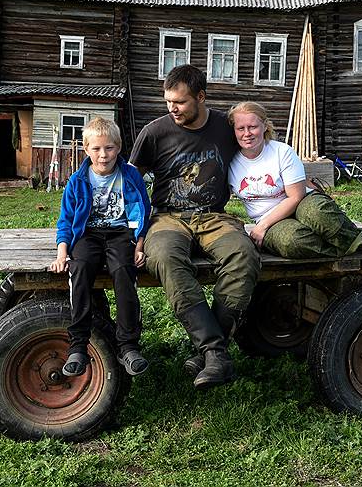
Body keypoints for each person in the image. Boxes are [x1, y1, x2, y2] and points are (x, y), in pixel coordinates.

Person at [130, 65, 260, 389]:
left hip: (214, 216)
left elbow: (260, 149)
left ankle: (207, 353)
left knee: (244, 256)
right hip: (167, 218)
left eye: (181, 102)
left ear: (201, 97)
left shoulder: (224, 127)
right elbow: (129, 184)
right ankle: (216, 352)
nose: (172, 108)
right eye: (168, 102)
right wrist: (134, 231)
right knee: (163, 258)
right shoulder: (154, 132)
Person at [227, 101, 362, 258]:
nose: (247, 133)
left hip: (301, 202)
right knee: (292, 242)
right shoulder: (230, 161)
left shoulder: (282, 152)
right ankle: (352, 237)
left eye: (253, 127)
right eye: (241, 128)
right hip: (271, 219)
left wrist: (261, 226)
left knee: (318, 213)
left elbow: (295, 196)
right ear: (233, 130)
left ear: (265, 126)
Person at [51, 117, 151, 378]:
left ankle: (128, 345)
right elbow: (66, 220)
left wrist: (139, 244)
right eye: (96, 149)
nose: (103, 155)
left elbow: (143, 211)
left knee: (123, 269)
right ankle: (78, 345)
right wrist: (63, 253)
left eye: (109, 148)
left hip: (120, 233)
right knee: (81, 267)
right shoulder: (77, 180)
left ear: (118, 147)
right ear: (86, 150)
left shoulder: (130, 176)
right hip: (89, 234)